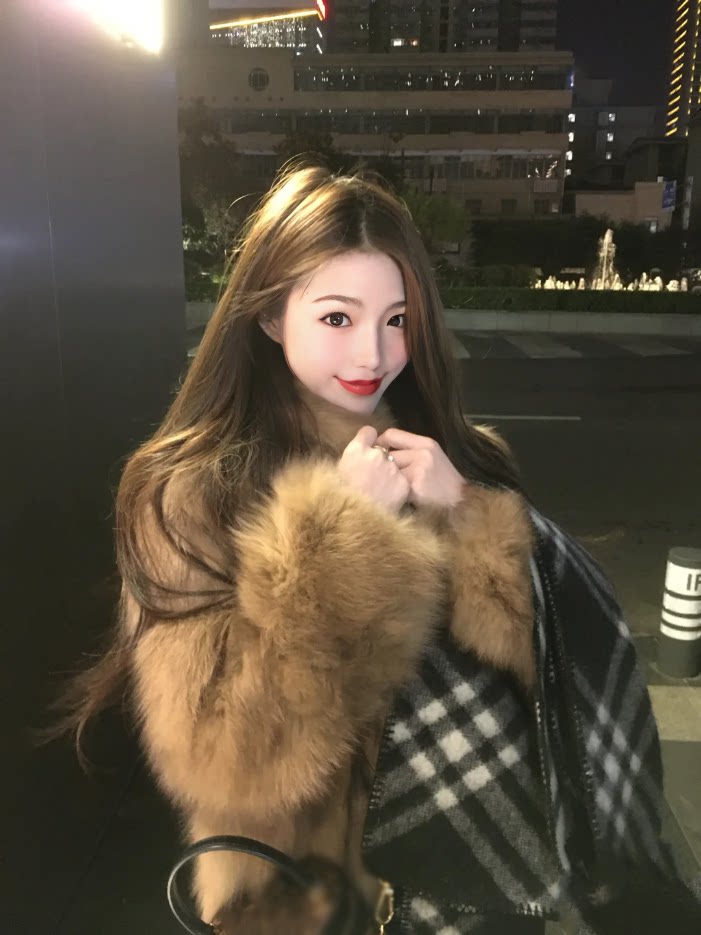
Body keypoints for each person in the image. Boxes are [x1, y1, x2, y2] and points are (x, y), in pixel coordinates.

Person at [62, 164, 698, 934]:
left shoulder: (454, 459)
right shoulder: (193, 493)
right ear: (270, 316)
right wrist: (344, 538)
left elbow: (549, 673)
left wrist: (469, 515)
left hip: (480, 887)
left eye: (396, 319)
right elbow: (226, 763)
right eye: (336, 317)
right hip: (302, 904)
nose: (373, 352)